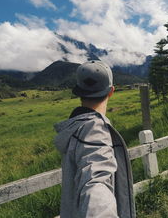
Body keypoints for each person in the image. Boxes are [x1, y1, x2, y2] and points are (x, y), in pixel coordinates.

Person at [54, 60, 136, 218]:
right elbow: (96, 182)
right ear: (111, 91)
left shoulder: (76, 127)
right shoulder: (95, 130)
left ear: (78, 91)